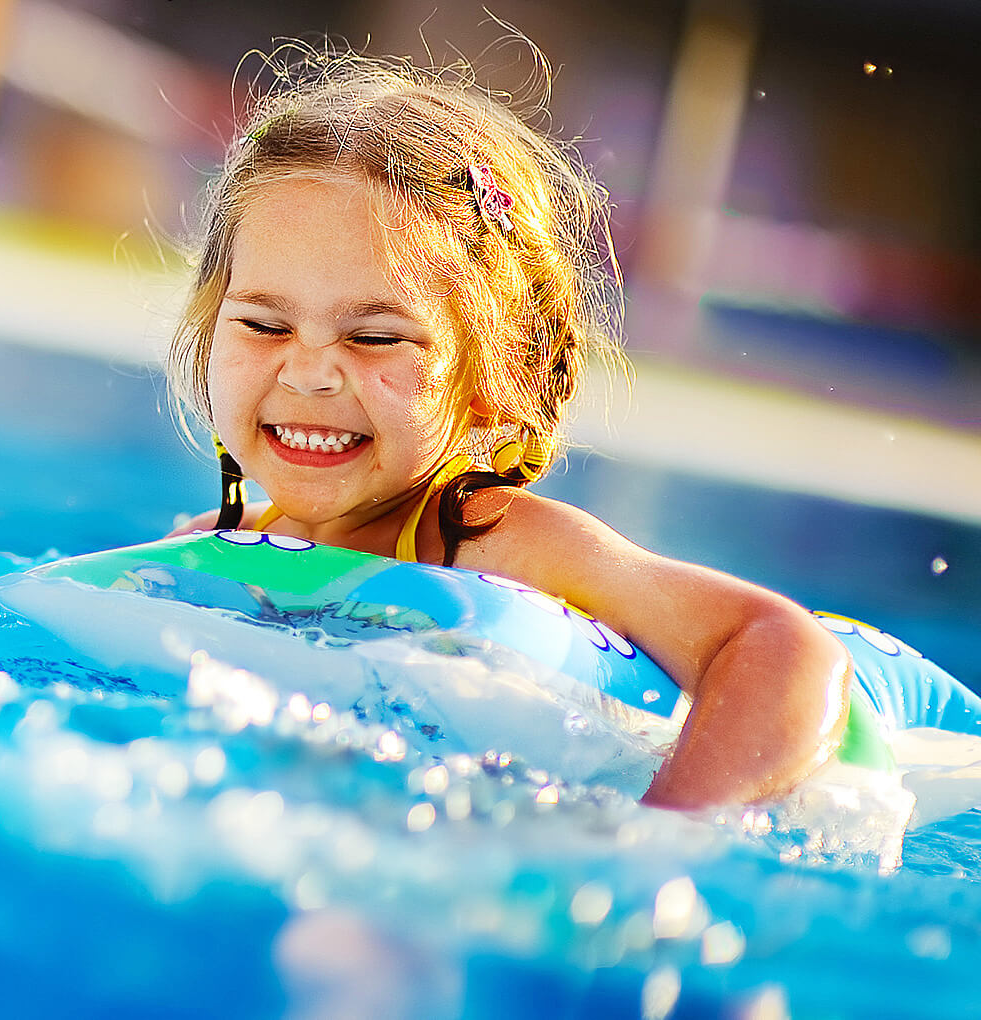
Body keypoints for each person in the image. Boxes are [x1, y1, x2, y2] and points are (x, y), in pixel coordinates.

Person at [162, 48, 848, 811]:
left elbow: (782, 647)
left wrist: (658, 842)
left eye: (378, 338)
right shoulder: (205, 545)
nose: (310, 373)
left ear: (499, 374)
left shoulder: (505, 546)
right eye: (264, 323)